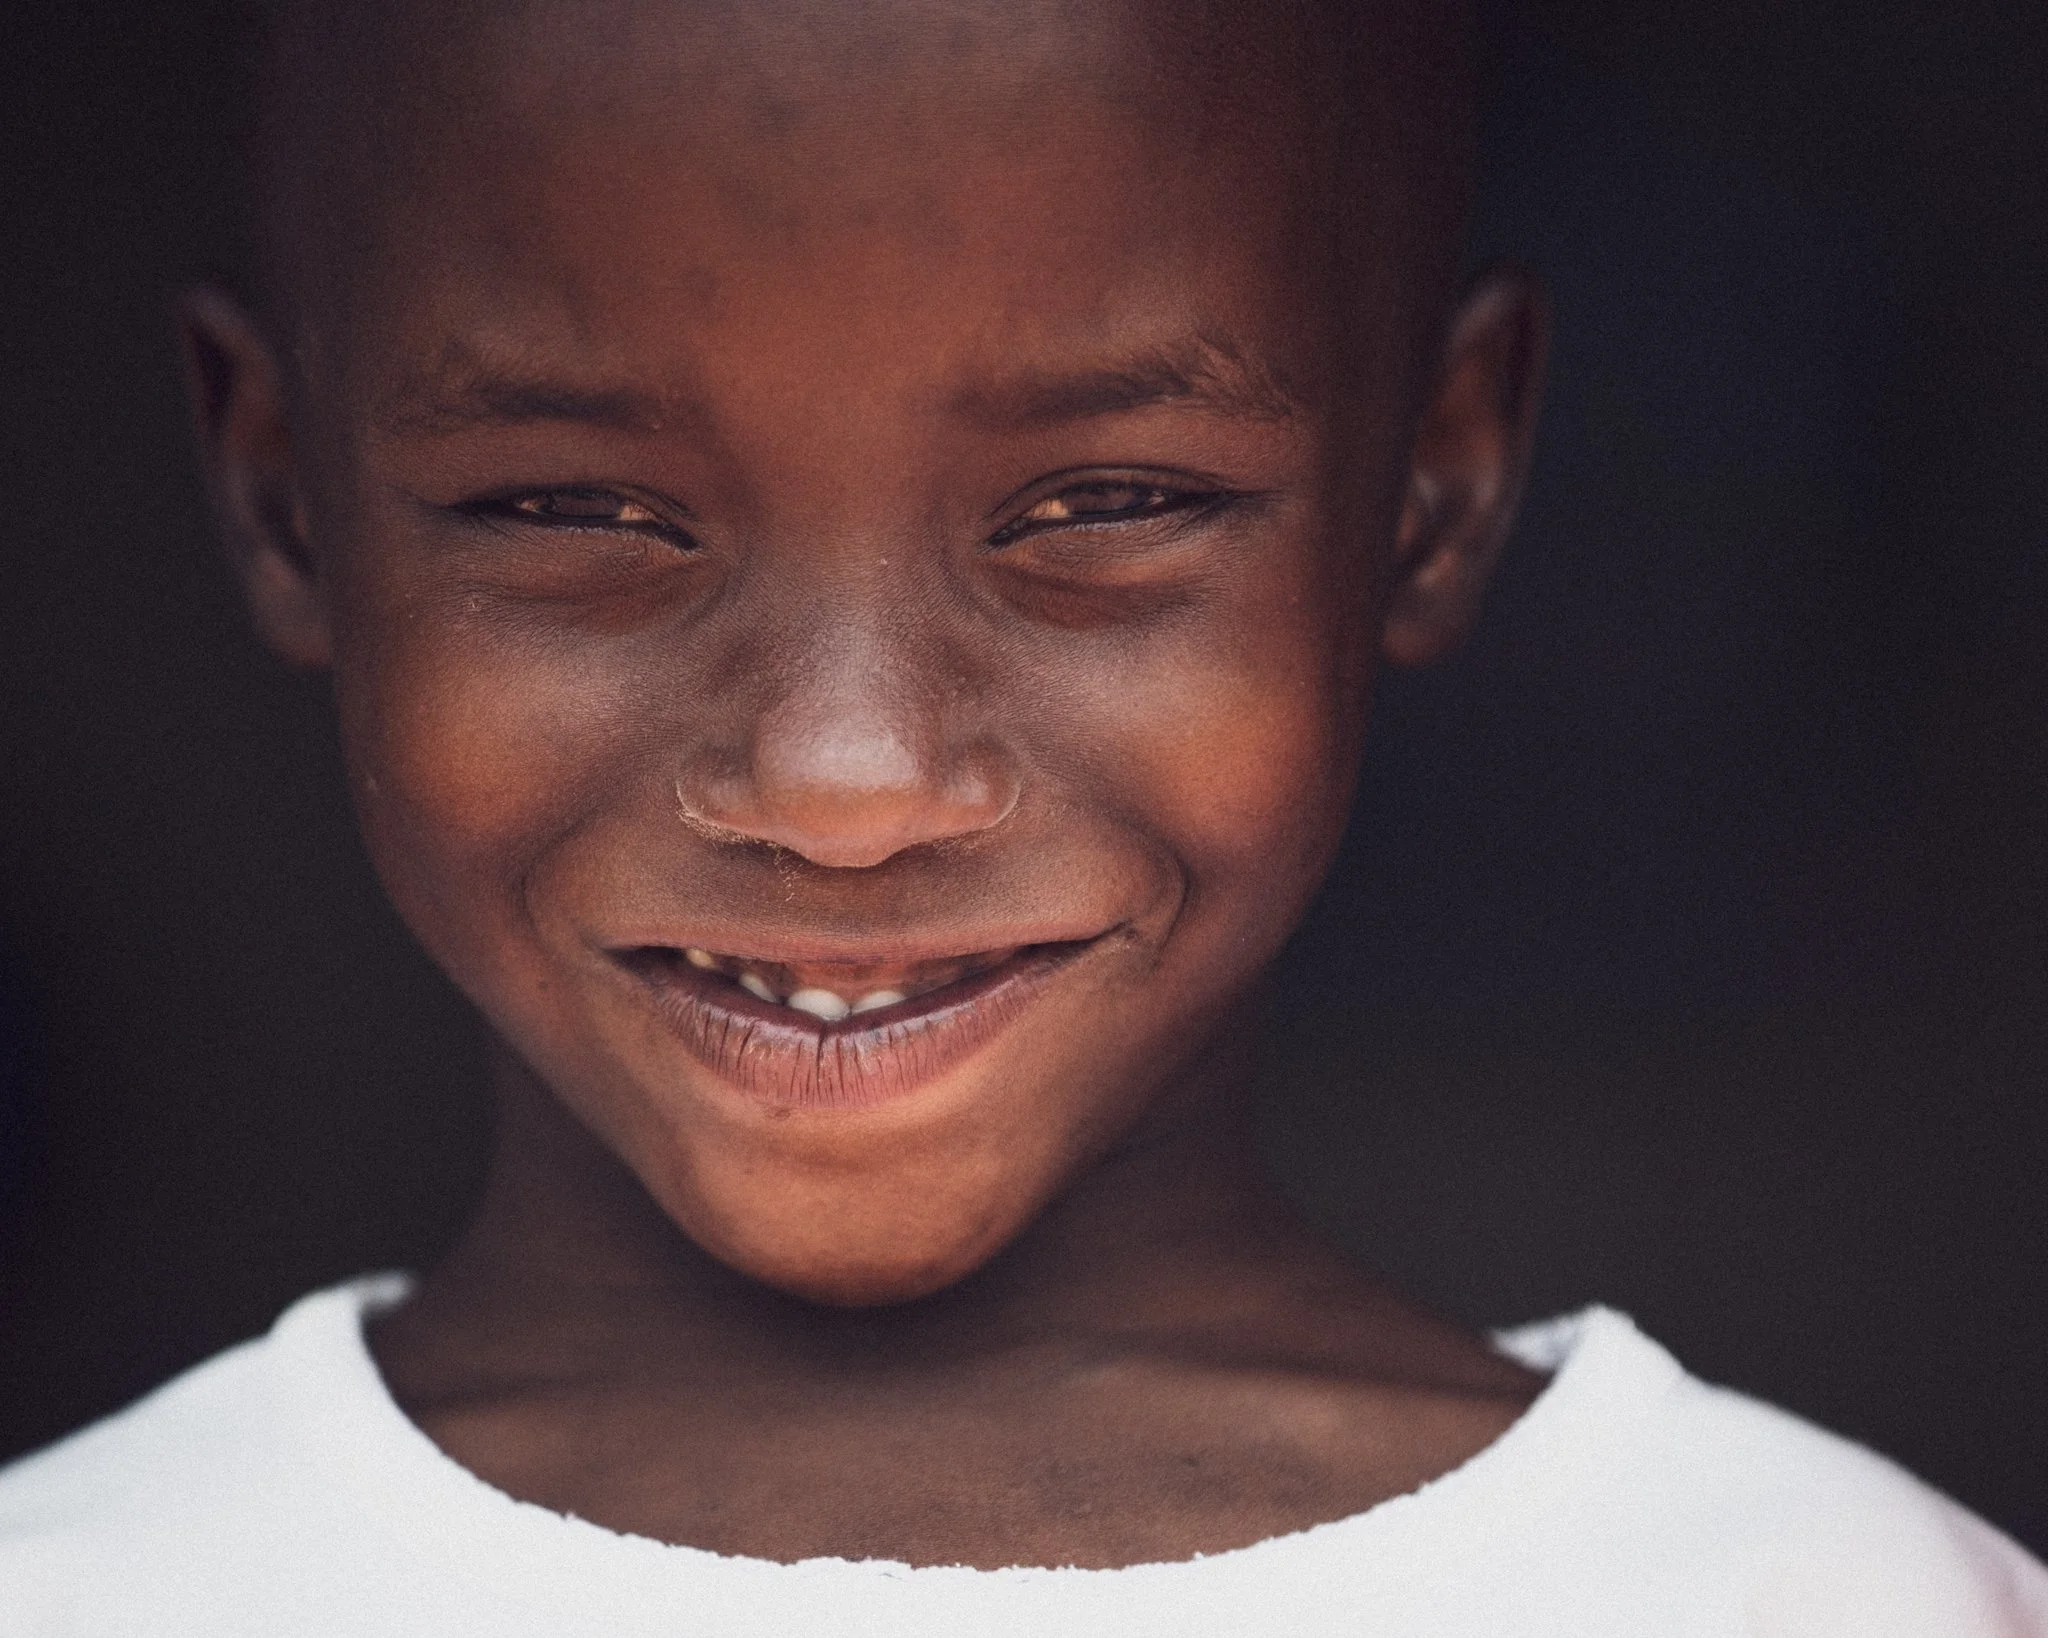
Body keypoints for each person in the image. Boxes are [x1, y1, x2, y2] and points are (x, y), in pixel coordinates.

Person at [0, 0, 2041, 1630]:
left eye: (1107, 507)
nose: (847, 786)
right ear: (286, 497)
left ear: (1432, 478)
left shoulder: (1832, 1603)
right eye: (573, 512)